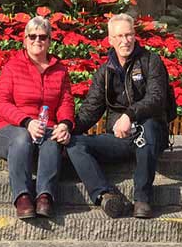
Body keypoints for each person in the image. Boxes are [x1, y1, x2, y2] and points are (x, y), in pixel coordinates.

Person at [66, 13, 172, 220]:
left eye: (129, 34)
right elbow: (90, 111)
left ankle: (142, 199)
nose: (126, 41)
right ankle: (106, 195)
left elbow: (157, 98)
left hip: (151, 136)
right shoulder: (105, 72)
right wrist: (66, 129)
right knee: (75, 144)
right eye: (120, 36)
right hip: (120, 138)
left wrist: (130, 115)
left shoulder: (151, 61)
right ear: (111, 40)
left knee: (148, 127)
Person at [0, 16, 74, 219]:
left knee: (53, 142)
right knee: (21, 137)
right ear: (24, 40)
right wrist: (26, 122)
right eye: (32, 36)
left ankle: (45, 196)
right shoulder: (12, 67)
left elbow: (65, 102)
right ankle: (23, 196)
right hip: (9, 128)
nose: (37, 40)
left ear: (50, 41)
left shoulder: (60, 70)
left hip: (46, 128)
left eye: (42, 37)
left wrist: (65, 124)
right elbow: (1, 102)